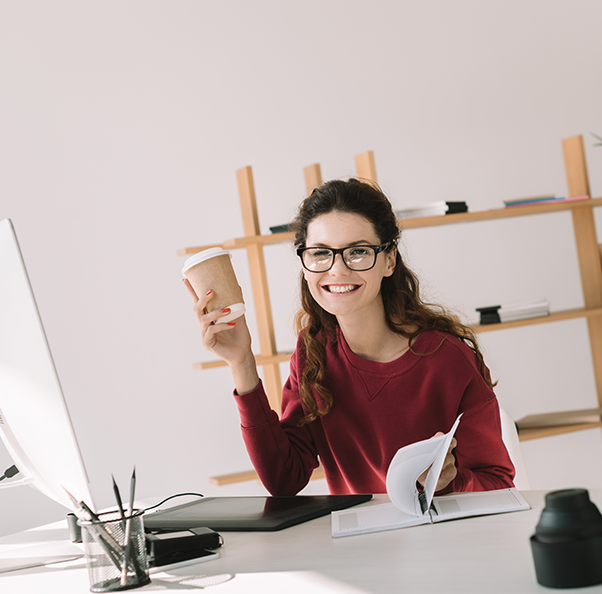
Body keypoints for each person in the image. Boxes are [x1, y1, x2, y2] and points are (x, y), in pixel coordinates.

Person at [185, 178, 515, 496]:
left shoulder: (447, 358)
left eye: (357, 251)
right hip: (359, 547)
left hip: (441, 543)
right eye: (320, 253)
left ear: (389, 260)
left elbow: (498, 482)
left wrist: (448, 483)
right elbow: (284, 479)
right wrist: (241, 360)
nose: (337, 270)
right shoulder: (312, 353)